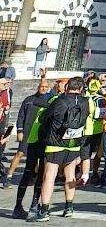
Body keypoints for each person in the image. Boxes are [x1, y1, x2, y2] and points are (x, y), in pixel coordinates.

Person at [29, 77, 88, 222]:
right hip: (74, 142)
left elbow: (44, 118)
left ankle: (44, 210)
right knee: (70, 175)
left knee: (49, 175)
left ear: (68, 87)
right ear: (81, 89)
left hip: (55, 142)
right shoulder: (85, 102)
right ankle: (69, 207)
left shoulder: (59, 101)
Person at [11, 79, 53, 219]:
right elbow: (21, 116)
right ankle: (18, 206)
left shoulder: (50, 103)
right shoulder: (29, 100)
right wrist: (20, 130)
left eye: (46, 87)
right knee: (27, 173)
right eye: (42, 86)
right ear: (38, 87)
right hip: (29, 139)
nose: (44, 89)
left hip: (42, 142)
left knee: (41, 174)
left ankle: (34, 205)